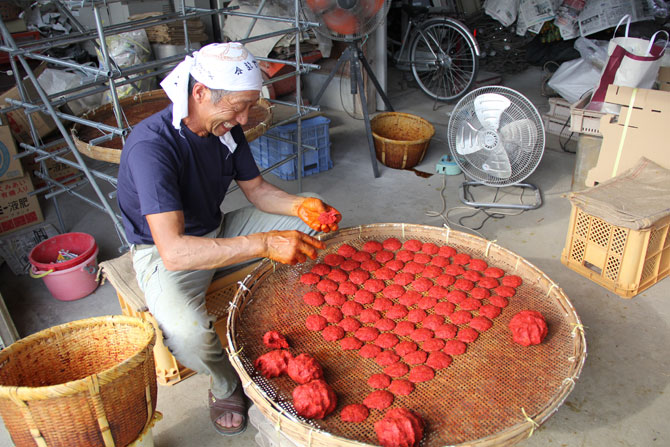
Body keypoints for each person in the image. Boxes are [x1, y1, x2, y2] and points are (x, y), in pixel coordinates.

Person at [116, 42, 341, 436]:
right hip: (166, 251)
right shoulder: (153, 147)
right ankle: (224, 382)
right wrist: (265, 243)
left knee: (316, 226)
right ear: (199, 93)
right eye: (237, 107)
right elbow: (174, 250)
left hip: (218, 229)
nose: (243, 118)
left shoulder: (227, 130)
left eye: (249, 106)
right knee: (188, 335)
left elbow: (256, 190)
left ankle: (305, 316)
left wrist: (301, 206)